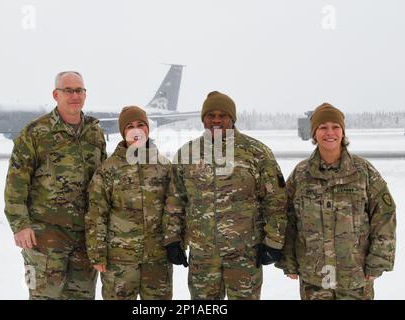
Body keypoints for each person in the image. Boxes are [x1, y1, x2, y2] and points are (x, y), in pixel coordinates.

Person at [163, 91, 287, 300]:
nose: (217, 120)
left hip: (244, 255)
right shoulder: (187, 154)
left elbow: (276, 200)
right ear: (204, 119)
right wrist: (173, 240)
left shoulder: (256, 152)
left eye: (223, 115)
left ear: (232, 118)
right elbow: (176, 200)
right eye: (211, 115)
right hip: (203, 256)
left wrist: (273, 242)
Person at [4, 71, 107, 299]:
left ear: (85, 94)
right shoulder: (35, 132)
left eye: (79, 90)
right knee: (42, 296)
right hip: (44, 237)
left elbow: (103, 184)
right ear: (56, 94)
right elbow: (15, 183)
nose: (74, 95)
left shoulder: (95, 134)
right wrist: (20, 224)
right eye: (68, 90)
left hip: (84, 237)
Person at [277, 103, 396, 300]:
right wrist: (288, 260)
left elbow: (384, 215)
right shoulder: (301, 174)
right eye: (323, 127)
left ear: (343, 132)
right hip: (314, 277)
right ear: (315, 133)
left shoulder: (363, 171)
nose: (329, 132)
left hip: (355, 277)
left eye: (335, 127)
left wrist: (378, 260)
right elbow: (287, 218)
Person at [86, 106, 172, 300]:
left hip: (157, 260)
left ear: (148, 129)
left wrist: (177, 244)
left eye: (141, 125)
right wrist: (97, 253)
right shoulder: (108, 169)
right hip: (119, 261)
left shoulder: (165, 167)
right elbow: (96, 214)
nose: (136, 130)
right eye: (129, 126)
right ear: (123, 132)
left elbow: (175, 209)